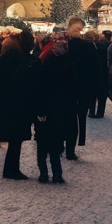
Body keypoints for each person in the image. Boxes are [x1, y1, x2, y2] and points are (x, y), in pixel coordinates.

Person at [0, 33, 33, 179]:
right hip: (17, 104)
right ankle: (11, 169)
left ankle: (11, 168)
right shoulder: (21, 61)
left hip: (2, 104)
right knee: (16, 139)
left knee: (13, 139)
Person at [35, 31, 76, 184]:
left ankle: (44, 173)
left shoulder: (46, 60)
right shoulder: (68, 62)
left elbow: (40, 87)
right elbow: (73, 86)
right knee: (56, 144)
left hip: (47, 108)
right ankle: (57, 174)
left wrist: (39, 109)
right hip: (61, 109)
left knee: (42, 143)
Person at [65, 17, 99, 158]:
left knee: (72, 118)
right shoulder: (64, 45)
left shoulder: (66, 45)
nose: (77, 31)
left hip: (75, 88)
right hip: (73, 88)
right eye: (76, 28)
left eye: (79, 29)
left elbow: (96, 69)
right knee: (73, 119)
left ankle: (68, 147)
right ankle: (69, 149)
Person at [87, 29, 110, 117]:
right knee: (103, 94)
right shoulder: (108, 45)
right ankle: (100, 112)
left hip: (94, 71)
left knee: (93, 93)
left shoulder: (94, 47)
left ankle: (91, 111)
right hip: (105, 71)